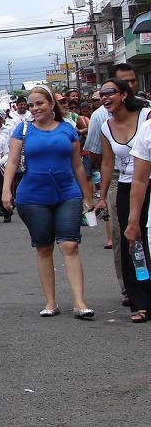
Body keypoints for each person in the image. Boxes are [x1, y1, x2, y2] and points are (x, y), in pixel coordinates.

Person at [2, 85, 95, 319]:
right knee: (43, 247)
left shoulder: (68, 129)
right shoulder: (21, 130)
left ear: (52, 104)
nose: (35, 108)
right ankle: (50, 302)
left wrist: (88, 196)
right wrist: (6, 191)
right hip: (33, 196)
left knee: (69, 245)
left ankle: (80, 302)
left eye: (39, 103)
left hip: (67, 193)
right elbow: (12, 162)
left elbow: (77, 165)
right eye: (31, 105)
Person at [84, 63, 142, 305]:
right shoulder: (100, 118)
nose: (129, 86)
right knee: (123, 235)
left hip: (145, 177)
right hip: (120, 178)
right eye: (122, 82)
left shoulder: (147, 112)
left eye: (132, 81)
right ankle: (129, 289)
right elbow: (99, 158)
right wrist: (102, 194)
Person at [94, 78, 151, 322]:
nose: (105, 98)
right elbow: (108, 163)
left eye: (110, 93)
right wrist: (103, 196)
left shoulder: (146, 117)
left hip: (149, 182)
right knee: (131, 242)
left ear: (125, 94)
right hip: (128, 186)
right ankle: (140, 301)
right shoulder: (106, 126)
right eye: (101, 95)